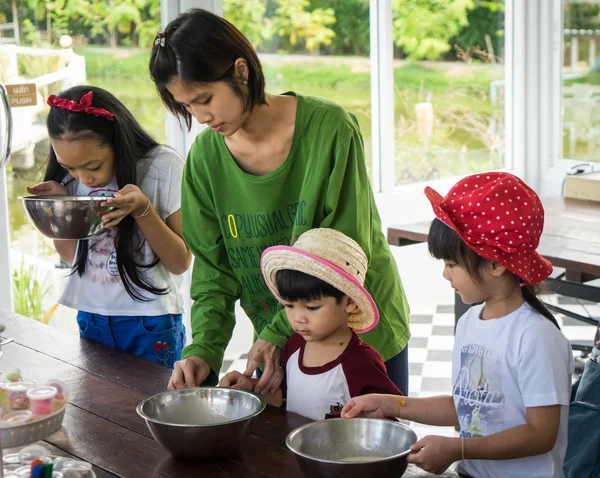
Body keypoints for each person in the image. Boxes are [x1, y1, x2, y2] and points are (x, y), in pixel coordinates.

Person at [149, 8, 411, 392]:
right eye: (186, 106)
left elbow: (345, 250)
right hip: (284, 340)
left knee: (373, 448)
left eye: (204, 98)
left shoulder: (330, 130)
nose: (200, 116)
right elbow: (212, 274)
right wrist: (203, 350)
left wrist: (276, 333)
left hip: (359, 336)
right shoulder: (205, 159)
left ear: (241, 71)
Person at [342, 172, 574, 477]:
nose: (445, 275)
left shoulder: (536, 337)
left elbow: (541, 435)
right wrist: (390, 404)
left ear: (495, 263)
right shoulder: (469, 323)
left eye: (452, 264)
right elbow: (464, 407)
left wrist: (457, 449)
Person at [26, 85, 191, 367]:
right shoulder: (70, 180)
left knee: (152, 405)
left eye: (93, 166)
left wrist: (143, 210)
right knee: (98, 407)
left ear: (116, 141)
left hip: (149, 320)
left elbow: (180, 262)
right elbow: (70, 256)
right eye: (70, 168)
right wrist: (62, 208)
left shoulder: (161, 166)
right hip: (91, 316)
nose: (84, 178)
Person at [219, 228, 402, 420]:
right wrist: (250, 389)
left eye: (312, 308)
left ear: (349, 302)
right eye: (289, 305)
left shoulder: (362, 362)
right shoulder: (293, 346)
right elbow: (285, 398)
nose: (298, 318)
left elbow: (389, 420)